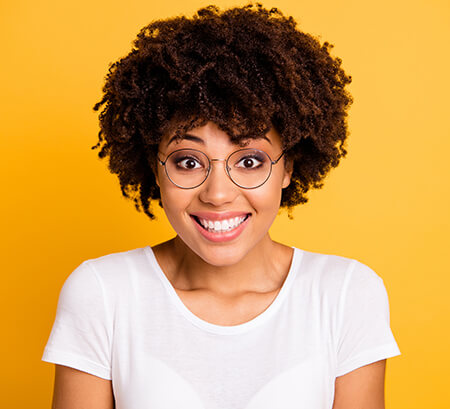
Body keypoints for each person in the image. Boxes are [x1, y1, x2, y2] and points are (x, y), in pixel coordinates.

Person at [42, 3, 401, 408]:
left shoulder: (345, 294)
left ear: (288, 169)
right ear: (155, 169)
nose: (217, 193)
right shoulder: (103, 293)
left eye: (249, 161)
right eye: (188, 161)